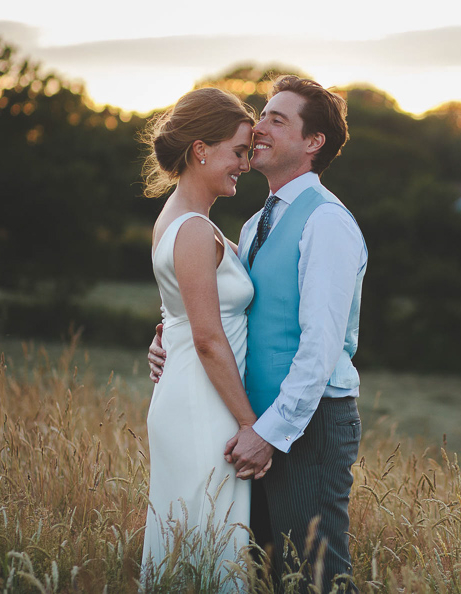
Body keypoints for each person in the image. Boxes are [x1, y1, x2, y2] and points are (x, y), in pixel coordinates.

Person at [150, 75, 366, 591]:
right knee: (268, 572)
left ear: (312, 143)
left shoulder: (328, 222)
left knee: (315, 573)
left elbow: (320, 346)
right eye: (263, 114)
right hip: (252, 427)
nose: (260, 127)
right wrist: (170, 338)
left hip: (305, 425)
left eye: (277, 118)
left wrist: (266, 433)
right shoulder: (251, 226)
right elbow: (223, 315)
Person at [140, 87, 268, 591]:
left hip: (193, 391)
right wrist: (250, 425)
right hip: (203, 404)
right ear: (200, 150)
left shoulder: (186, 222)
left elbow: (180, 313)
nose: (246, 163)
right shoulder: (193, 229)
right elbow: (209, 338)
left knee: (200, 539)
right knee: (207, 539)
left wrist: (162, 337)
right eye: (238, 151)